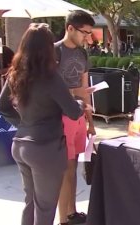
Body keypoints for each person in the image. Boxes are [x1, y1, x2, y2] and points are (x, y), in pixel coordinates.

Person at [0, 23, 86, 225]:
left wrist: (24, 123)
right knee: (45, 207)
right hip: (45, 147)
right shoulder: (51, 77)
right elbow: (73, 111)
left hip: (21, 145)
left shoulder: (15, 73)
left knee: (30, 202)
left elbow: (2, 107)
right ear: (48, 47)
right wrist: (81, 103)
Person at [55, 10, 96, 225]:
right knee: (65, 169)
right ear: (70, 28)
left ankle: (72, 212)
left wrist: (91, 122)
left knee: (73, 167)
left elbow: (84, 87)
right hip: (61, 116)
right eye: (84, 33)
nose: (87, 38)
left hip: (79, 115)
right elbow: (49, 89)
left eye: (89, 33)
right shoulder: (54, 52)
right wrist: (75, 96)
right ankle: (64, 219)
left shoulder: (82, 54)